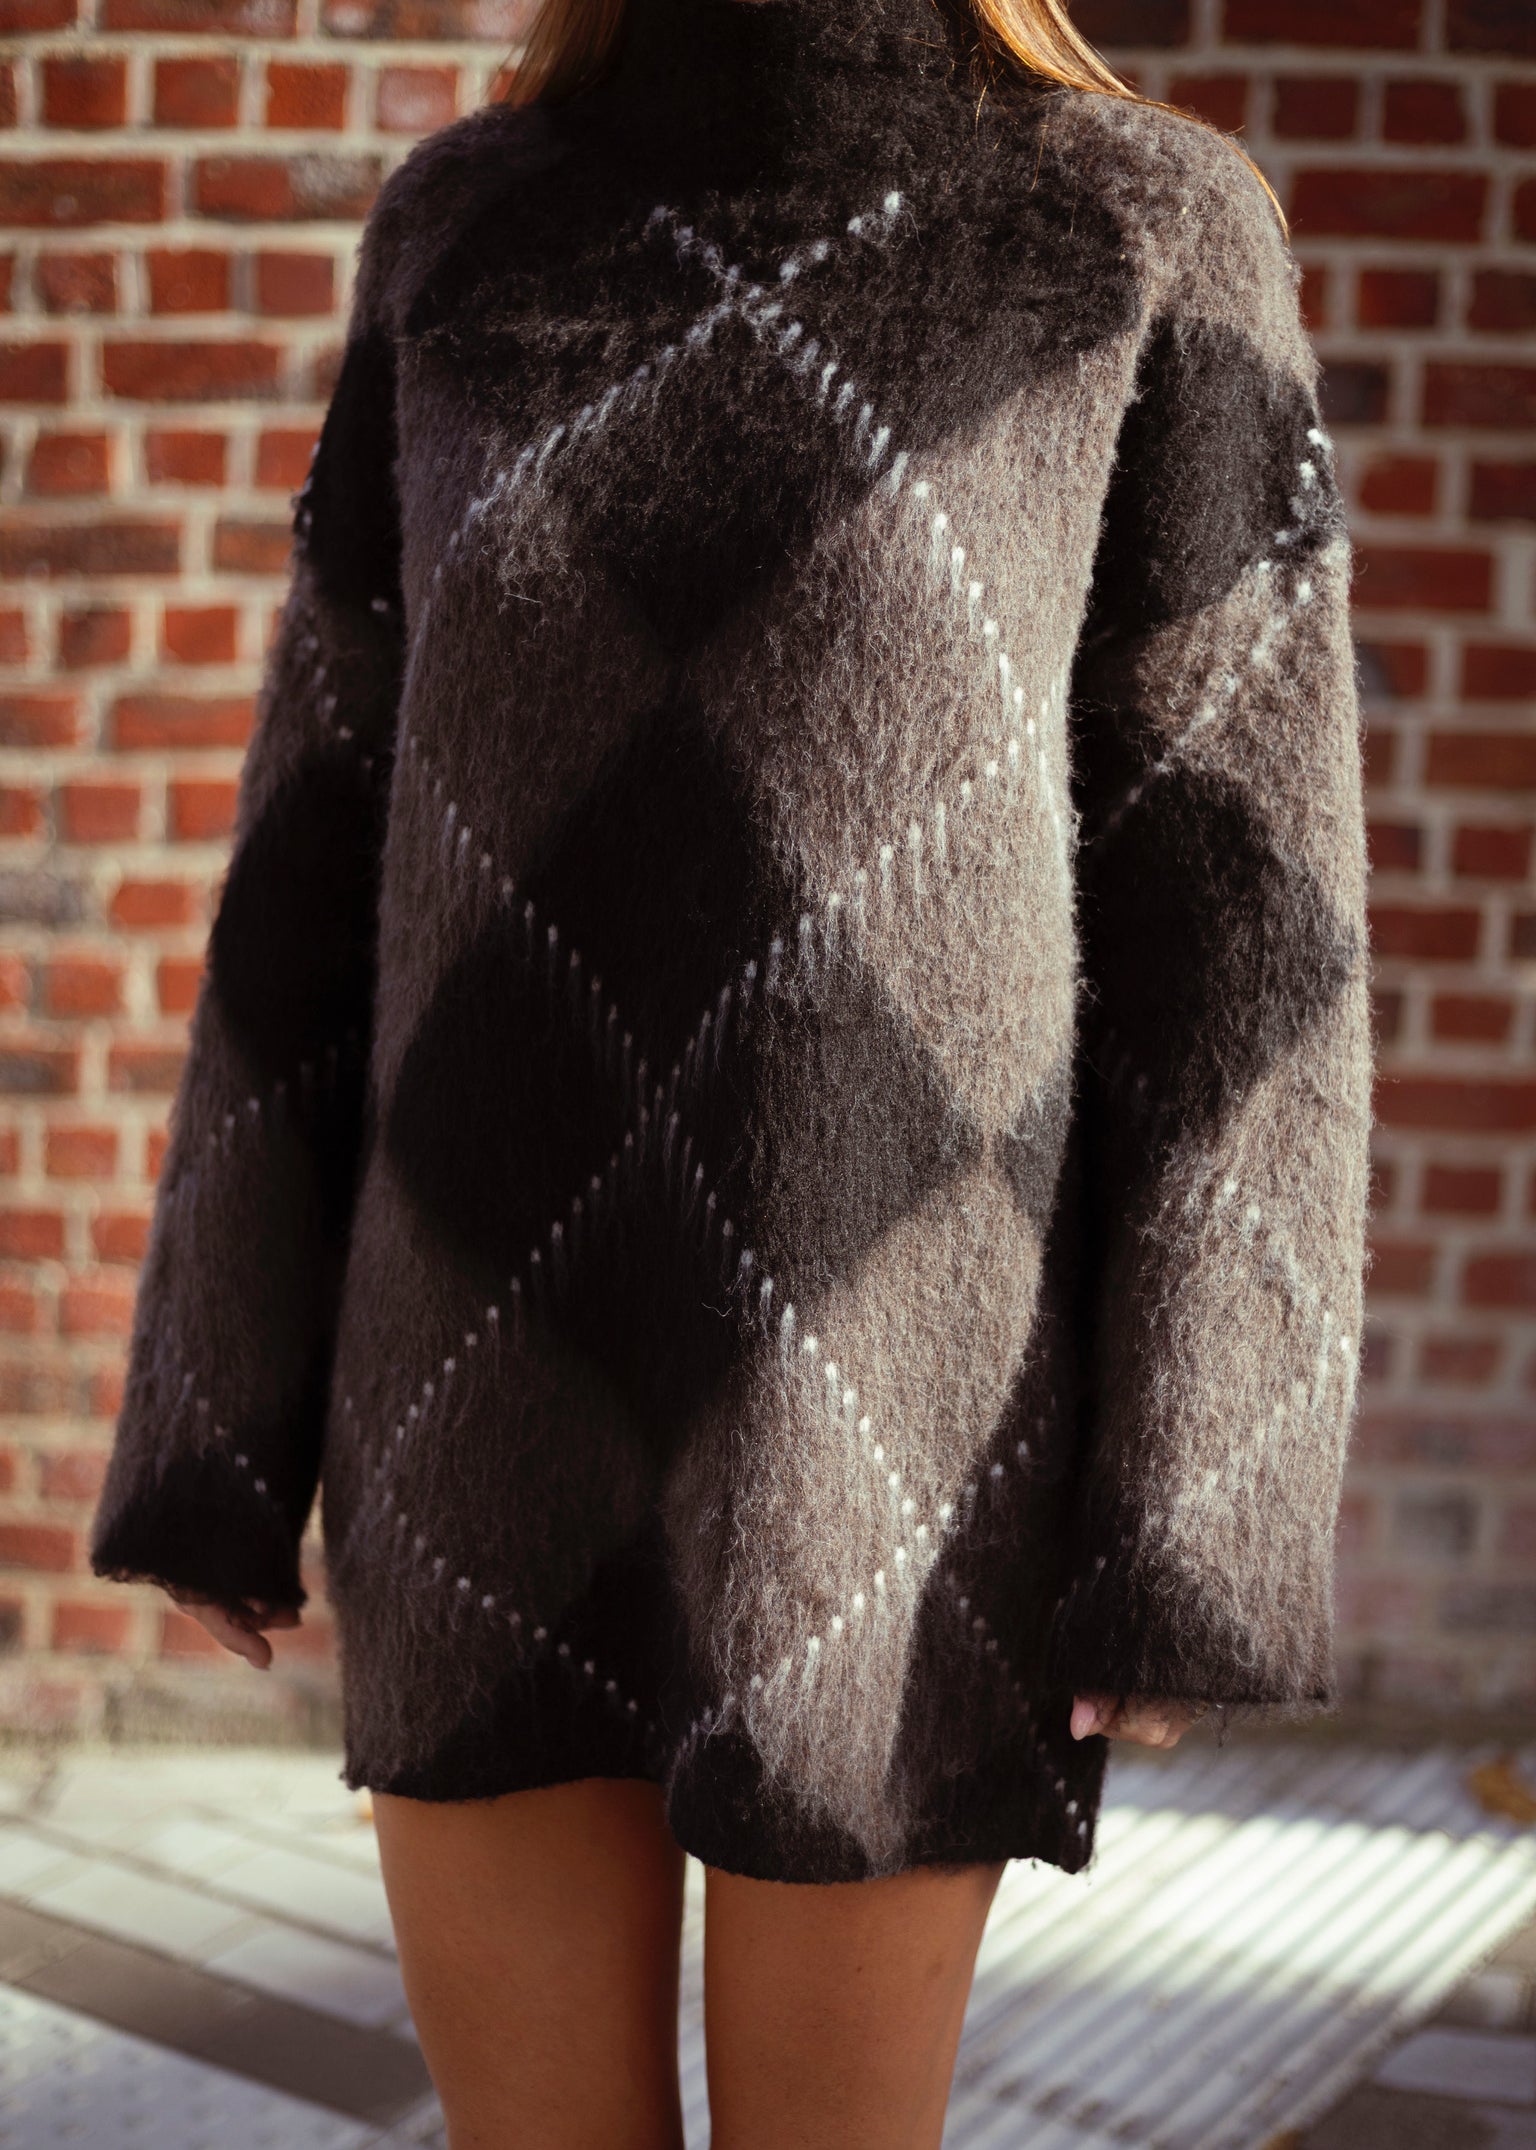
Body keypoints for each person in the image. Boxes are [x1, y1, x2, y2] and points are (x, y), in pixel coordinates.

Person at [88, 0, 1371, 2138]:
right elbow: (318, 830)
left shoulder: (1139, 231)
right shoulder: (464, 230)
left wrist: (1198, 1497)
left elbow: (1242, 921)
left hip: (890, 1426)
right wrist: (217, 1411)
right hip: (478, 1395)